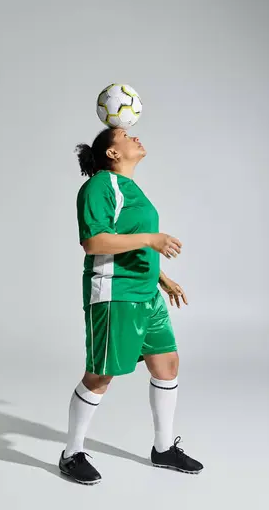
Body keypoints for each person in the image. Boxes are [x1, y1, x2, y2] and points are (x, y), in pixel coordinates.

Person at [58, 127, 203, 485]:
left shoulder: (132, 189)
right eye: (125, 135)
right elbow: (94, 241)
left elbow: (128, 243)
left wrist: (160, 277)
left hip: (145, 293)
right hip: (115, 293)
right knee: (101, 374)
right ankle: (71, 453)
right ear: (111, 152)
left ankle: (164, 448)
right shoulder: (99, 186)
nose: (136, 137)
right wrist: (152, 239)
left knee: (167, 364)